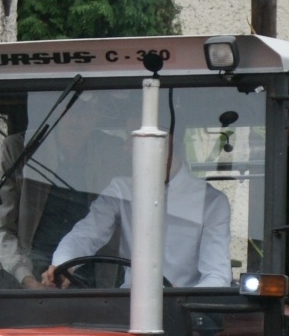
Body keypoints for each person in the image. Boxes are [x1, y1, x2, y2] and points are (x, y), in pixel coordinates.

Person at [44, 122, 233, 288]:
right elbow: (85, 235)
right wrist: (63, 265)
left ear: (166, 141)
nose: (125, 146)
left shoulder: (211, 202)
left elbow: (217, 275)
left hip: (186, 315)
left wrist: (183, 297)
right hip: (126, 307)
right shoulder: (121, 190)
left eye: (134, 137)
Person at [0, 96, 129, 289]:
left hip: (98, 283)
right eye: (72, 107)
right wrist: (28, 280)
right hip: (29, 278)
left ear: (99, 114)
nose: (79, 118)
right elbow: (1, 229)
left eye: (89, 109)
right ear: (56, 109)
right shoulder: (19, 151)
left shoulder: (115, 152)